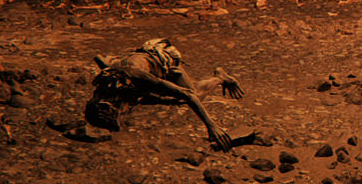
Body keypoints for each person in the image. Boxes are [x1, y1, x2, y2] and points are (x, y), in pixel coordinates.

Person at [82, 37, 242, 148]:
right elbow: (141, 97)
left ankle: (220, 78)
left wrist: (211, 126)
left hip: (164, 59)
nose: (122, 113)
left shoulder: (136, 77)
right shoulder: (106, 89)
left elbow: (188, 95)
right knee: (174, 98)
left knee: (194, 94)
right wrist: (166, 101)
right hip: (142, 61)